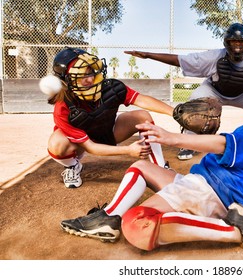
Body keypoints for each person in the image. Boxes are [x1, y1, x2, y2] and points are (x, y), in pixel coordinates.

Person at [60, 74, 243, 250]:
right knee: (141, 167)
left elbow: (223, 143)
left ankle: (236, 231)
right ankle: (108, 219)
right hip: (202, 186)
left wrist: (171, 138)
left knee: (137, 225)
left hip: (209, 193)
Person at [125, 22, 243, 160]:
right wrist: (149, 55)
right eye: (233, 41)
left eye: (241, 41)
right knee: (194, 104)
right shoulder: (214, 56)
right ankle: (188, 143)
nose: (237, 45)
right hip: (214, 90)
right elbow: (179, 60)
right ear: (226, 43)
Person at [47, 47, 174, 188]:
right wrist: (128, 150)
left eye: (91, 72)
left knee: (142, 116)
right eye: (82, 75)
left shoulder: (109, 88)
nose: (90, 79)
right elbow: (91, 147)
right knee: (56, 143)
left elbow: (141, 99)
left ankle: (160, 167)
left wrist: (174, 112)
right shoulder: (63, 108)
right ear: (66, 80)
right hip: (82, 144)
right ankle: (72, 166)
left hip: (108, 132)